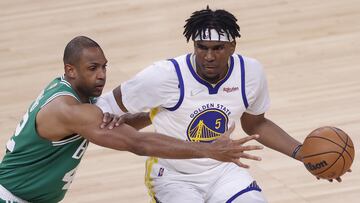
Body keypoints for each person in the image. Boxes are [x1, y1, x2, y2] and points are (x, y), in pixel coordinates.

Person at [97, 6, 348, 203]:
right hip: (174, 176)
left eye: (218, 48)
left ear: (232, 46)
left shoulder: (250, 72)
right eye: (201, 47)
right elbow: (104, 106)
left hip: (223, 170)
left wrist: (302, 153)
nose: (208, 56)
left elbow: (255, 123)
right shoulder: (163, 76)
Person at [0, 36, 264, 203]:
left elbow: (116, 125)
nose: (102, 75)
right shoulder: (69, 110)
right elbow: (136, 144)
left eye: (104, 67)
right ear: (70, 69)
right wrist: (209, 149)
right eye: (93, 68)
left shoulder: (77, 94)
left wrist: (157, 111)